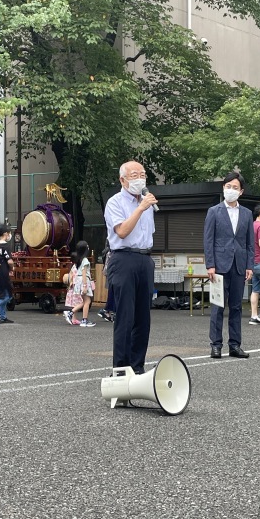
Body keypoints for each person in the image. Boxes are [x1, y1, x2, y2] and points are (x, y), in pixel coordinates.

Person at [104, 160, 158, 374]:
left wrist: (145, 205)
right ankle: (120, 369)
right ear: (122, 179)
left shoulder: (147, 202)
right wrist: (140, 208)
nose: (140, 179)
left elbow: (147, 236)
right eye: (134, 175)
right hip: (123, 258)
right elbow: (123, 231)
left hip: (145, 259)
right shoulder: (114, 202)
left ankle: (137, 367)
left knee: (143, 318)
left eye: (142, 174)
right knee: (125, 316)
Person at [204, 171, 254, 359]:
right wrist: (210, 264)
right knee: (217, 306)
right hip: (219, 265)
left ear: (241, 192)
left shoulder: (247, 214)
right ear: (223, 188)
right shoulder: (214, 211)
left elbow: (250, 242)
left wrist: (250, 265)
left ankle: (235, 345)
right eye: (228, 186)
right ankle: (216, 345)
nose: (231, 190)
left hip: (239, 265)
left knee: (236, 307)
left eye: (235, 187)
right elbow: (208, 240)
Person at [63, 240, 96, 327]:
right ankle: (83, 320)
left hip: (78, 281)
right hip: (83, 281)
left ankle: (73, 314)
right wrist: (85, 286)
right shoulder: (85, 260)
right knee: (87, 301)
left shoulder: (78, 260)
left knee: (85, 301)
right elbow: (84, 273)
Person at [98, 239, 115, 322]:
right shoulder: (113, 252)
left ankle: (108, 311)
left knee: (112, 291)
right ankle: (110, 311)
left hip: (110, 272)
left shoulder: (108, 251)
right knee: (114, 292)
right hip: (114, 272)